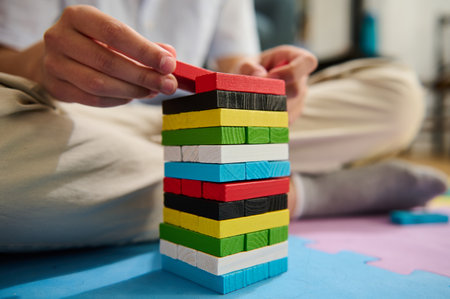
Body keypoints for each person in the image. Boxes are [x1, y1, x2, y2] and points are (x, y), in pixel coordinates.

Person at [0, 1, 446, 252]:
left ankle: (222, 179)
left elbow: (236, 64)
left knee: (398, 92)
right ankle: (283, 192)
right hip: (73, 122)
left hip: (207, 128)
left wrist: (267, 82)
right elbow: (9, 66)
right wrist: (41, 61)